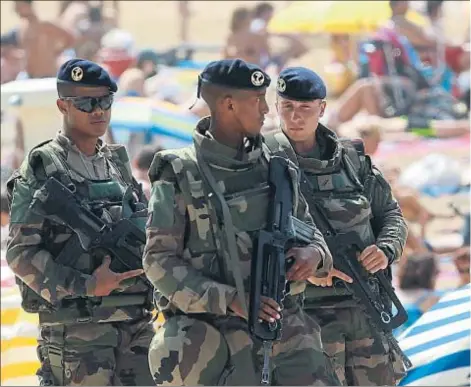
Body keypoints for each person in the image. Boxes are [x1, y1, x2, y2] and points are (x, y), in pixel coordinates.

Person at [144, 58, 340, 386]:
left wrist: (315, 255)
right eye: (257, 100)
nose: (266, 110)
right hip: (217, 339)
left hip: (287, 331)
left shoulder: (277, 164)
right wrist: (230, 299)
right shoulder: (180, 173)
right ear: (228, 104)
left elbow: (309, 229)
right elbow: (158, 262)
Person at [5, 59, 155, 386]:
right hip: (78, 332)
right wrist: (83, 285)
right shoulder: (44, 166)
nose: (98, 111)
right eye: (87, 103)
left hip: (135, 325)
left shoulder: (116, 164)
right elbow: (19, 253)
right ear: (63, 106)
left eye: (105, 101)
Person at [264, 67, 409, 386]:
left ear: (322, 108)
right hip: (301, 314)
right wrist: (310, 267)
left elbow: (391, 215)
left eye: (305, 108)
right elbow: (249, 235)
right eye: (287, 107)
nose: (295, 117)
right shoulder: (262, 162)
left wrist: (385, 250)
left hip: (365, 307)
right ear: (277, 107)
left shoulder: (352, 159)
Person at [14, 0, 75, 78]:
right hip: (30, 76)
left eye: (19, 6)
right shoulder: (22, 28)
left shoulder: (44, 24)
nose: (16, 10)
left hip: (46, 75)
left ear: (27, 5)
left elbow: (71, 37)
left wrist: (57, 51)